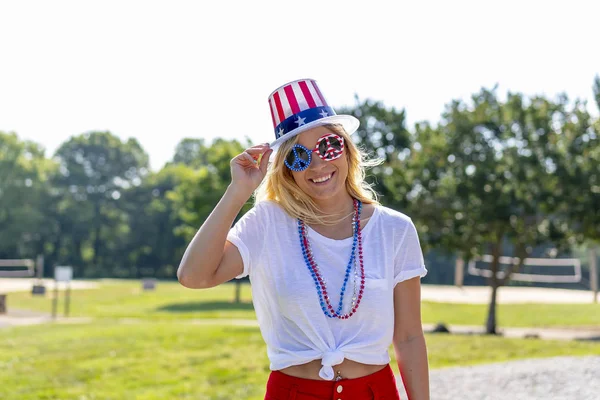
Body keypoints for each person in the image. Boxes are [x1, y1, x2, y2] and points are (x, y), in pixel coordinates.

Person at [177, 78, 430, 399]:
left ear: (347, 151)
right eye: (299, 156)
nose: (318, 163)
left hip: (373, 391)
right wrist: (238, 190)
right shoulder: (267, 223)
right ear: (286, 168)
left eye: (328, 146)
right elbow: (194, 276)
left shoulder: (395, 229)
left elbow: (408, 337)